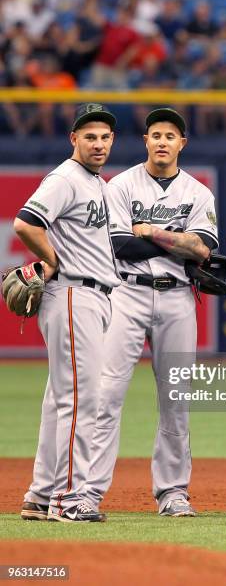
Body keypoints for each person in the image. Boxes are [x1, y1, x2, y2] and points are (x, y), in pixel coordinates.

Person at [85, 107, 218, 517]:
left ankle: (173, 493)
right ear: (146, 141)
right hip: (127, 293)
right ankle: (88, 491)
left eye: (170, 135)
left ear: (182, 143)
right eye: (155, 134)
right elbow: (122, 246)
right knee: (107, 394)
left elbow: (204, 249)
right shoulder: (120, 185)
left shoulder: (198, 192)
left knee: (176, 398)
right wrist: (178, 241)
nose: (162, 141)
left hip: (179, 297)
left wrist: (151, 231)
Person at [16, 103, 120, 522]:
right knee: (81, 399)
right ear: (73, 139)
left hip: (89, 296)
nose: (98, 143)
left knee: (61, 399)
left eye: (105, 137)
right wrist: (53, 260)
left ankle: (41, 495)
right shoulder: (65, 177)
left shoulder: (95, 182)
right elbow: (25, 223)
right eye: (89, 136)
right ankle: (68, 499)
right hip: (74, 293)